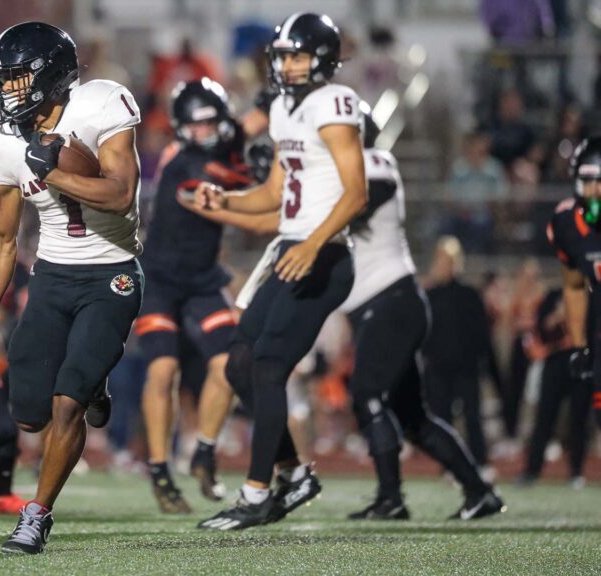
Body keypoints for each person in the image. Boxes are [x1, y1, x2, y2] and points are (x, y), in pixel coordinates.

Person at [0, 21, 143, 554]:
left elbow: (120, 196)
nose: (7, 91)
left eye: (17, 79)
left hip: (112, 272)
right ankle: (92, 383)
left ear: (52, 75)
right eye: (3, 80)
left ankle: (36, 515)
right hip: (52, 277)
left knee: (68, 402)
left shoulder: (102, 104)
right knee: (30, 414)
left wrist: (55, 169)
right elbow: (1, 237)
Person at [191, 12, 367, 531]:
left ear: (323, 59)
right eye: (283, 55)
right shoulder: (285, 111)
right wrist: (226, 198)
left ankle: (256, 493)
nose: (287, 65)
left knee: (266, 366)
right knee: (240, 365)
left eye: (297, 55)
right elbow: (273, 194)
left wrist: (313, 245)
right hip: (293, 246)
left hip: (324, 251)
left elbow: (355, 193)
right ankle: (293, 474)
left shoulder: (334, 103)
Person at [336, 116, 503, 520]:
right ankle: (480, 492)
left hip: (392, 301)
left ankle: (391, 498)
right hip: (383, 305)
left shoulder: (373, 161)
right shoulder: (341, 169)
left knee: (367, 393)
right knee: (412, 417)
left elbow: (362, 197)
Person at [136, 78, 248, 513]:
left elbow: (240, 142)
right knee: (163, 372)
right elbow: (214, 190)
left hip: (202, 279)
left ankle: (203, 450)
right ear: (182, 127)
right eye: (198, 124)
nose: (207, 130)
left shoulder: (218, 156)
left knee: (231, 363)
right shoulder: (185, 162)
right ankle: (161, 471)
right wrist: (258, 179)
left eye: (212, 122)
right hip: (162, 280)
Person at [423, 237, 499, 470]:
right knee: (441, 418)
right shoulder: (429, 295)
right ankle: (447, 464)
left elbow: (482, 334)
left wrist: (483, 364)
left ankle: (479, 462)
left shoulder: (469, 295)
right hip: (437, 368)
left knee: (472, 417)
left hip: (466, 368)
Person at [546, 135, 601, 433]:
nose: (594, 192)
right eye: (588, 181)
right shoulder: (567, 224)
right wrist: (580, 345)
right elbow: (575, 286)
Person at [519, 288, 592, 487]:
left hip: (584, 360)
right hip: (555, 361)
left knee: (579, 419)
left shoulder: (592, 294)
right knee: (544, 417)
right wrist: (556, 318)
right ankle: (532, 470)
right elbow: (540, 329)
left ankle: (576, 472)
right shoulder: (553, 295)